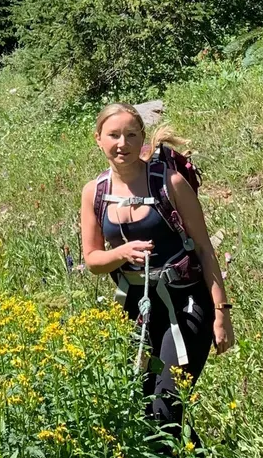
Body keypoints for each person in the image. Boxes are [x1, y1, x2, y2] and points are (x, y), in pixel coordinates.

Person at [79, 101, 232, 434]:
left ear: (142, 138)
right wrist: (121, 253)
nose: (123, 144)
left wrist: (222, 314)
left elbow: (205, 250)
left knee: (165, 409)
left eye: (131, 135)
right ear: (98, 139)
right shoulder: (95, 192)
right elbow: (92, 260)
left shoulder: (170, 183)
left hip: (186, 304)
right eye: (114, 135)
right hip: (137, 310)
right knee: (146, 411)